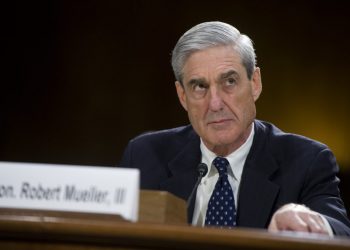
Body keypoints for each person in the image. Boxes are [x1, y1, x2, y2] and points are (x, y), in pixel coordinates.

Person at [120, 21, 350, 236]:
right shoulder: (144, 155)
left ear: (255, 83)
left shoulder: (307, 161)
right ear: (182, 96)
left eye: (229, 81)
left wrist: (309, 219)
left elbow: (340, 231)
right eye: (200, 86)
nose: (216, 104)